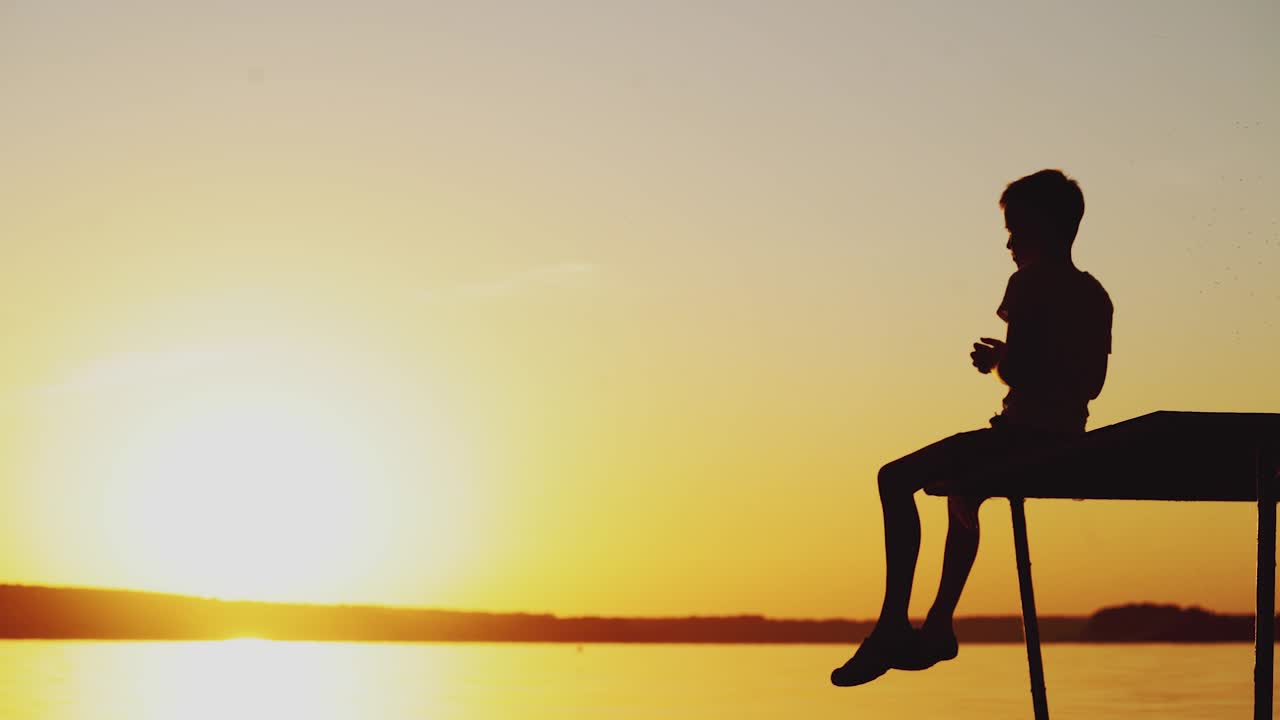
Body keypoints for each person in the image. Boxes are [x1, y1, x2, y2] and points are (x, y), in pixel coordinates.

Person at [831, 169, 1113, 687]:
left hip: (1024, 437)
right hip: (1069, 441)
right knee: (965, 487)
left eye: (1017, 229)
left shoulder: (1029, 282)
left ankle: (894, 624)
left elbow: (1026, 370)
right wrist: (1017, 360)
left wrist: (1002, 361)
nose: (1008, 242)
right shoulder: (1094, 293)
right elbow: (1091, 384)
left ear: (1048, 228)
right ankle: (937, 625)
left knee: (894, 479)